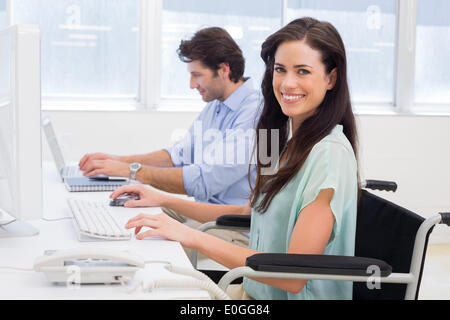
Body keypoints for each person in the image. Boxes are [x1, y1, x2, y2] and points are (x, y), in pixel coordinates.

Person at [114, 17, 359, 300]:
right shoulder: (276, 139)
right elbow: (249, 212)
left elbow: (293, 276)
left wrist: (190, 235)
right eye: (280, 70)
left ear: (331, 78)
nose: (288, 83)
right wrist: (162, 199)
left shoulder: (329, 156)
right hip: (250, 291)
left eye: (303, 71)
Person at [78, 27, 261, 225]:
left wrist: (131, 171)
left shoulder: (255, 112)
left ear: (224, 70)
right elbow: (177, 156)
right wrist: (118, 161)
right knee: (123, 215)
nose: (192, 84)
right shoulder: (217, 104)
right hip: (202, 215)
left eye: (197, 75)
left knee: (142, 234)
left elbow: (202, 182)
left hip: (228, 226)